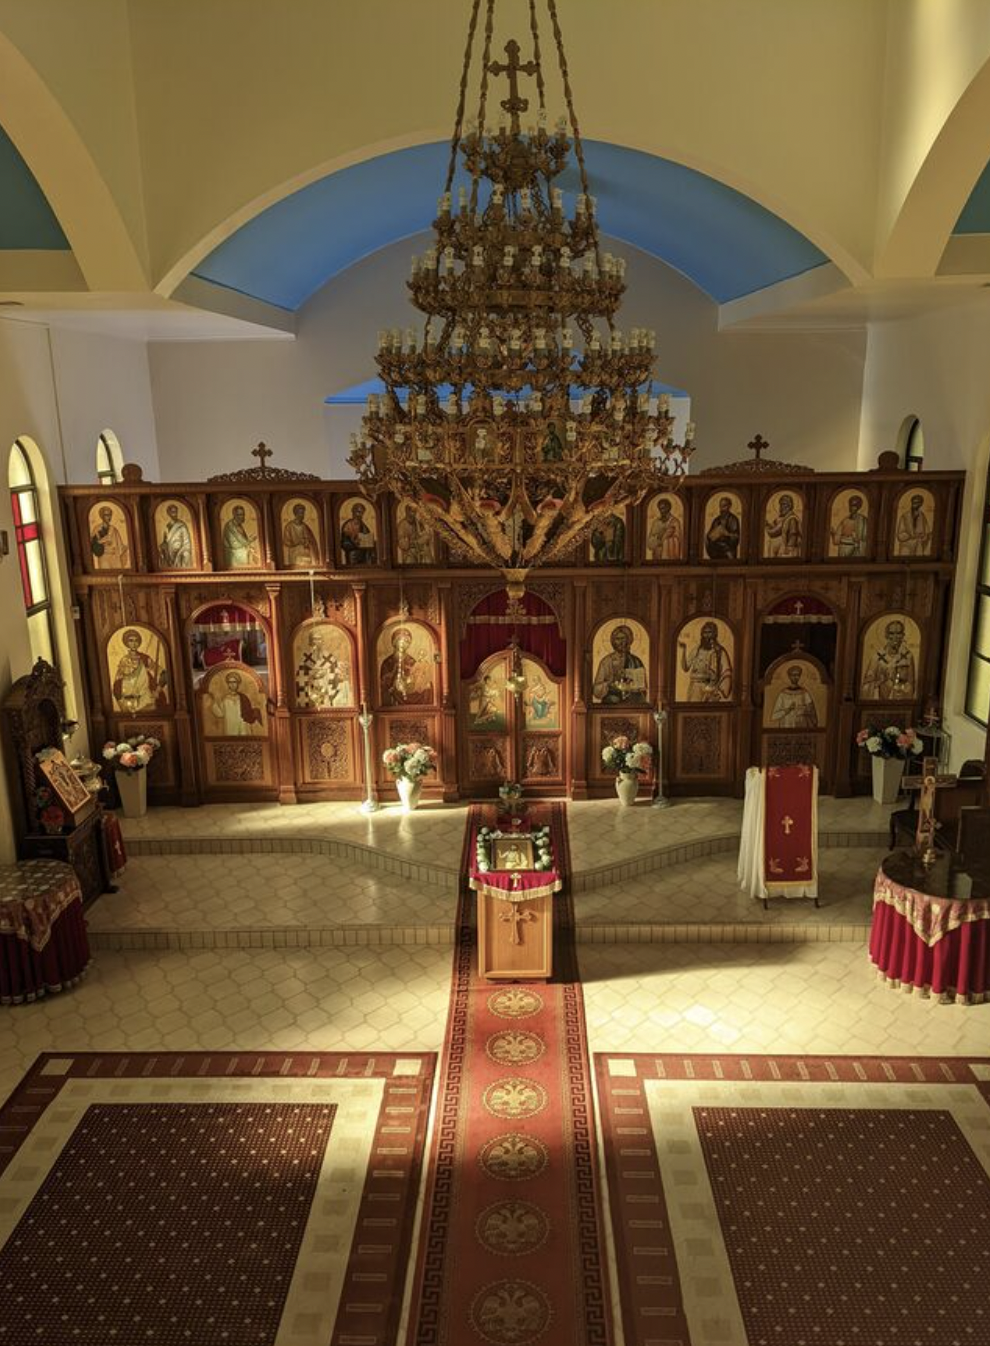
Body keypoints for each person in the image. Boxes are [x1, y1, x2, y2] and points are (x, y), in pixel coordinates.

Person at [112, 629, 168, 713]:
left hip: (146, 699)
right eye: (131, 640)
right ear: (126, 643)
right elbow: (117, 684)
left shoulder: (144, 659)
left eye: (136, 640)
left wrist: (157, 691)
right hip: (128, 701)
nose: (134, 643)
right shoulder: (124, 661)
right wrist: (120, 702)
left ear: (139, 643)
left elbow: (165, 674)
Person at [861, 619, 916, 700]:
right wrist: (880, 681)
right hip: (880, 700)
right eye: (891, 633)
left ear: (903, 635)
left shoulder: (908, 657)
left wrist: (897, 681)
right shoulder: (877, 657)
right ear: (886, 635)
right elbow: (866, 686)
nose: (895, 637)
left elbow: (911, 686)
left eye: (898, 633)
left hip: (898, 701)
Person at [592, 624, 647, 704]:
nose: (621, 642)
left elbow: (643, 688)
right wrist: (610, 683)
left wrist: (633, 685)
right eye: (618, 639)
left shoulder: (636, 661)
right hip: (611, 702)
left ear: (628, 640)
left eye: (623, 638)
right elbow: (596, 690)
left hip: (632, 703)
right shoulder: (607, 662)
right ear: (613, 641)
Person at [679, 621, 733, 702]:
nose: (707, 635)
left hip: (710, 688)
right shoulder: (697, 650)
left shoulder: (719, 651)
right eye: (705, 632)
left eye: (710, 632)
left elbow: (726, 672)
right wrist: (684, 649)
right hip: (695, 687)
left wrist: (717, 690)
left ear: (715, 634)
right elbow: (685, 668)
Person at [295, 628, 347, 709]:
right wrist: (311, 675)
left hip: (325, 691)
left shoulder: (328, 657)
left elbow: (335, 674)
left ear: (322, 641)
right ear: (310, 641)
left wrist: (326, 673)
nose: (317, 642)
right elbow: (300, 677)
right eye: (315, 639)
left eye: (319, 639)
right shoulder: (305, 658)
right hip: (311, 691)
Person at [380, 627, 432, 705]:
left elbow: (415, 676)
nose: (403, 644)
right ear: (394, 642)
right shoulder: (388, 661)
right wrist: (394, 672)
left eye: (406, 641)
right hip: (393, 690)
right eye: (400, 640)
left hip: (408, 689)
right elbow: (383, 681)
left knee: (428, 687)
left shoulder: (412, 660)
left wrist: (411, 678)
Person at [207, 670, 265, 735]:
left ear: (238, 683)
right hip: (230, 727)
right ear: (228, 684)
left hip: (242, 726)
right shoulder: (225, 699)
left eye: (234, 682)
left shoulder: (243, 698)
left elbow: (247, 713)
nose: (232, 684)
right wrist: (214, 702)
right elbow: (220, 714)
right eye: (230, 682)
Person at [90, 505, 129, 569]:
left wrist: (126, 547)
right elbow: (92, 544)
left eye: (110, 515)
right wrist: (101, 541)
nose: (109, 517)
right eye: (106, 515)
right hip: (103, 557)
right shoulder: (97, 529)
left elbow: (120, 545)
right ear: (102, 516)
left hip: (114, 557)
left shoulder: (114, 529)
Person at [282, 502, 320, 568]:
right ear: (295, 514)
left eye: (303, 513)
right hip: (294, 553)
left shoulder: (305, 526)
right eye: (300, 513)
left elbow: (310, 540)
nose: (302, 515)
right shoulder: (289, 526)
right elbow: (286, 541)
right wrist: (298, 542)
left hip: (305, 553)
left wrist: (306, 542)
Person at [158, 502, 194, 569]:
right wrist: (162, 546)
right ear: (168, 513)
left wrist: (182, 551)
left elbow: (187, 543)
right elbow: (165, 541)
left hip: (180, 553)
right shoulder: (167, 527)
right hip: (169, 554)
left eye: (176, 512)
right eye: (172, 512)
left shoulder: (182, 526)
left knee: (186, 555)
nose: (175, 514)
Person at [222, 503, 259, 568]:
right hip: (235, 553)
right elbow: (242, 541)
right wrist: (252, 539)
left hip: (240, 550)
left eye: (243, 514)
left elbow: (243, 540)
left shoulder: (238, 525)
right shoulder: (231, 525)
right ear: (234, 515)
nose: (242, 517)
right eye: (239, 515)